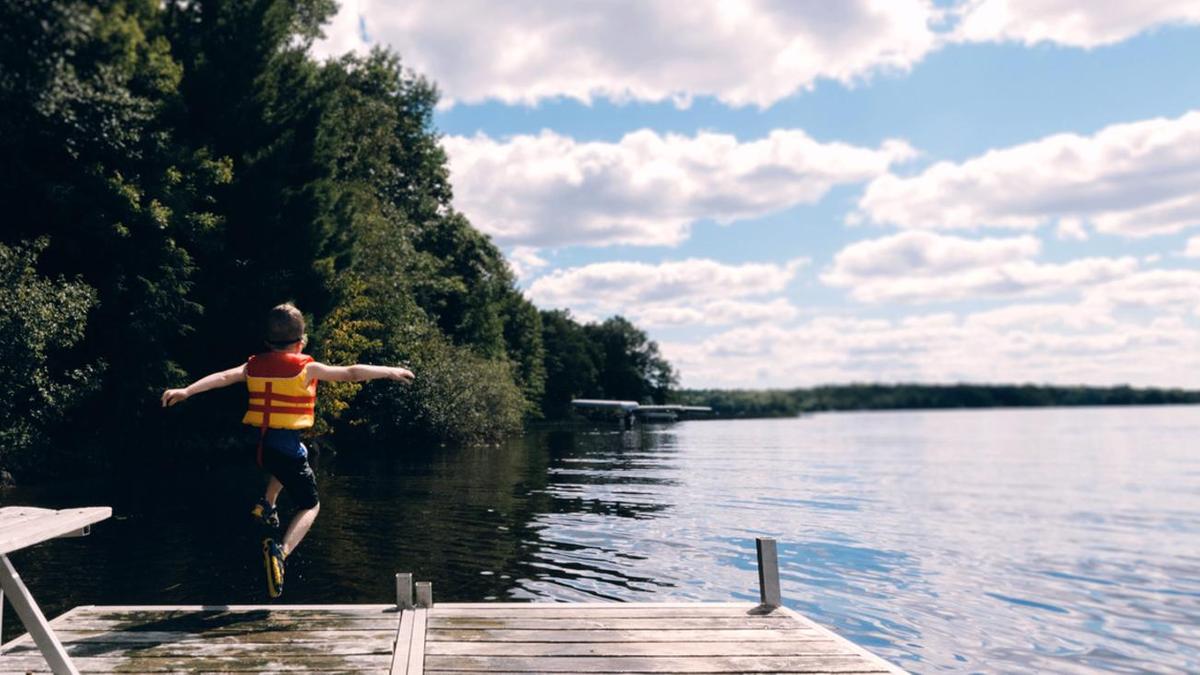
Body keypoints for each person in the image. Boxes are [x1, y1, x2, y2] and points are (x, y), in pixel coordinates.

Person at [161, 302, 414, 597]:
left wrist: (186, 391)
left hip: (263, 448)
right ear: (302, 340)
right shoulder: (307, 368)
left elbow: (221, 378)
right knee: (311, 505)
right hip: (285, 449)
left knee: (299, 454)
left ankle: (267, 503)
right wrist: (389, 371)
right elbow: (351, 373)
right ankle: (282, 552)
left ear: (267, 342)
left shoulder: (252, 365)